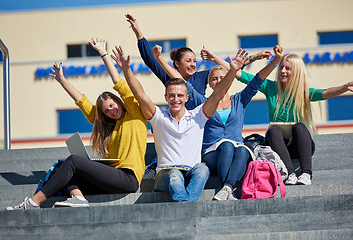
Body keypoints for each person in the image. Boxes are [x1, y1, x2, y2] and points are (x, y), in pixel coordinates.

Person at [5, 38, 147, 210]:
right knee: (60, 170)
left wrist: (103, 54)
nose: (111, 111)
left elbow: (119, 83)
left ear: (118, 101)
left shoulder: (135, 113)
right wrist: (62, 79)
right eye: (106, 111)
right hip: (112, 178)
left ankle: (33, 202)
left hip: (128, 178)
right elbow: (83, 102)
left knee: (73, 161)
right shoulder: (110, 126)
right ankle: (78, 199)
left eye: (112, 105)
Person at [111, 43, 249, 202]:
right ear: (166, 98)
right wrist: (126, 70)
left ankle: (184, 205)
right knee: (175, 174)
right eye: (171, 96)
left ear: (187, 98)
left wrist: (232, 71)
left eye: (180, 96)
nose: (176, 99)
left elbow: (217, 95)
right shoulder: (159, 117)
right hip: (166, 174)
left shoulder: (198, 115)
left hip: (191, 172)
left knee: (202, 169)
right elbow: (140, 95)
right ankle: (188, 207)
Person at [153, 44, 283, 200]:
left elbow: (258, 79)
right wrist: (159, 58)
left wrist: (275, 61)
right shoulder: (204, 103)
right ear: (210, 83)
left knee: (242, 149)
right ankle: (228, 187)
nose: (218, 81)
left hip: (237, 153)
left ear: (228, 79)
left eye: (222, 77)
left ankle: (227, 188)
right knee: (227, 145)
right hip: (212, 154)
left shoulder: (239, 100)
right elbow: (181, 81)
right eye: (214, 79)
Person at [235, 53, 353, 185]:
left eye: (287, 68)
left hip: (299, 145)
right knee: (273, 130)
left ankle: (306, 174)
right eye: (281, 68)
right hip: (277, 145)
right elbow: (239, 74)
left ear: (296, 72)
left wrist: (345, 87)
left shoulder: (303, 91)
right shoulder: (270, 87)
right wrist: (253, 58)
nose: (283, 71)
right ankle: (290, 173)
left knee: (299, 126)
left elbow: (324, 93)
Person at [125, 13, 270, 110]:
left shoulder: (201, 76)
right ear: (177, 64)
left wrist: (255, 57)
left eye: (194, 60)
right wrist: (137, 31)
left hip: (200, 121)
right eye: (188, 61)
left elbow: (231, 70)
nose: (193, 64)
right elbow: (149, 59)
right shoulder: (169, 77)